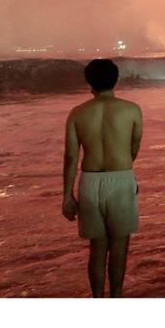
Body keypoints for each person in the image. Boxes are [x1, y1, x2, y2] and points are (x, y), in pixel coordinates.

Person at [62, 59, 143, 298]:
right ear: (115, 79)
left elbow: (70, 156)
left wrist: (67, 195)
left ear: (89, 82)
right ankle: (116, 298)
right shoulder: (132, 109)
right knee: (119, 249)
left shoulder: (77, 113)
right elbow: (134, 148)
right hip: (120, 180)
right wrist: (123, 171)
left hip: (90, 182)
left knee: (97, 250)